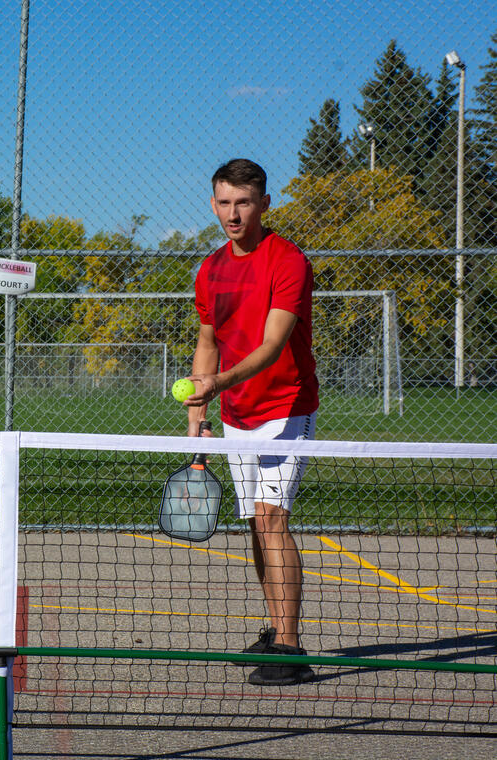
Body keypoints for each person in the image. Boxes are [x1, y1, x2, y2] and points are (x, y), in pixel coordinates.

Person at [183, 158, 318, 687]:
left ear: (264, 203)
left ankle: (290, 647)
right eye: (224, 203)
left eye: (244, 202)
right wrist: (197, 415)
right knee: (256, 527)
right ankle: (276, 631)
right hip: (235, 414)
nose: (233, 214)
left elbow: (273, 345)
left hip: (286, 407)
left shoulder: (288, 261)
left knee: (271, 520)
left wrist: (218, 382)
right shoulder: (210, 269)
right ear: (213, 204)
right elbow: (207, 342)